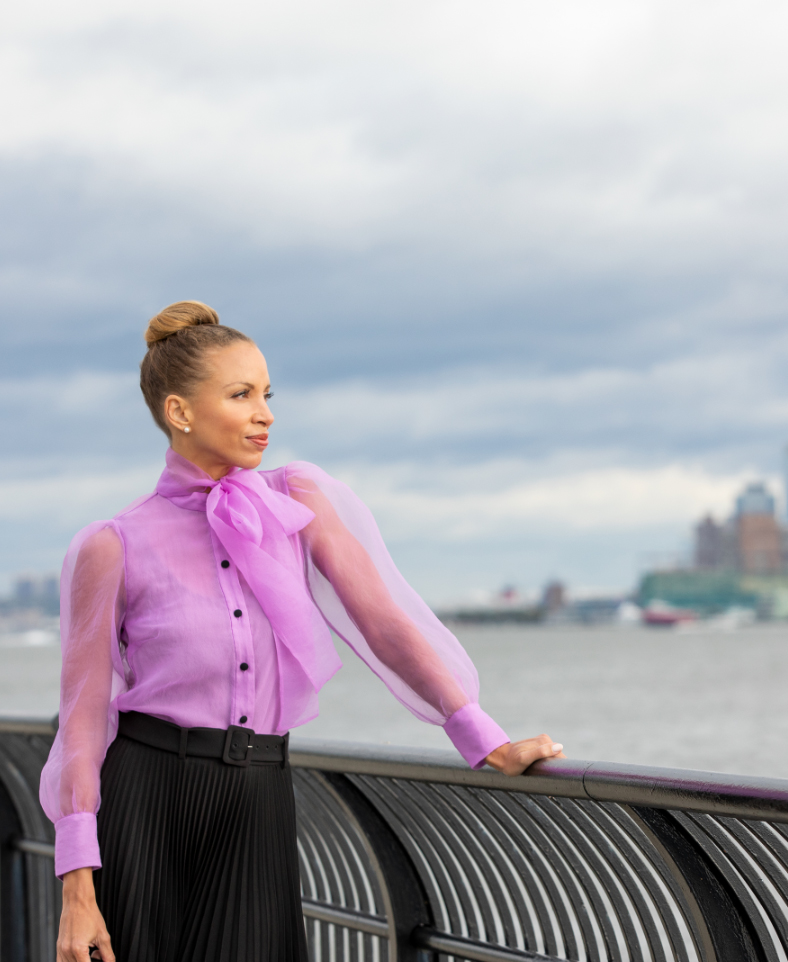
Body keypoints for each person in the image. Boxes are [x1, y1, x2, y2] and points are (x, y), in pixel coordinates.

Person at [41, 301, 565, 962]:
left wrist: (482, 738)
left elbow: (384, 624)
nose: (265, 413)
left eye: (267, 394)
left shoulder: (296, 504)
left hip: (259, 795)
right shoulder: (111, 545)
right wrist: (77, 893)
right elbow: (82, 721)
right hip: (147, 799)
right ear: (180, 412)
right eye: (241, 395)